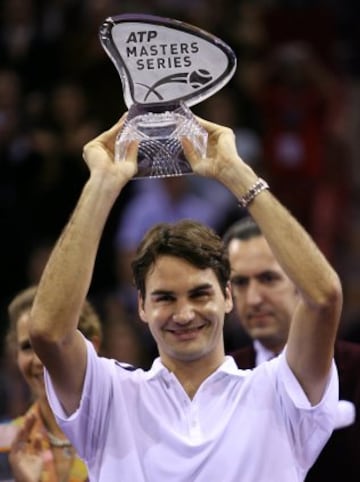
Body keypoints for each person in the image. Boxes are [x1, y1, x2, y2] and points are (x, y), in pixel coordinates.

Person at [28, 114, 342, 481]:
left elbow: (323, 298)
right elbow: (48, 332)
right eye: (165, 298)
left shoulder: (280, 392)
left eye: (199, 293)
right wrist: (103, 183)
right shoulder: (109, 396)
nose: (184, 313)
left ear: (227, 297)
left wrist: (234, 172)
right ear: (141, 307)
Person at [223, 216, 360, 482]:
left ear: (302, 283)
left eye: (268, 278)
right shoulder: (220, 378)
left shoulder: (356, 367)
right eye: (240, 283)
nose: (253, 298)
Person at [0, 285, 102, 482]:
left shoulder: (126, 433)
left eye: (52, 344)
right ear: (16, 356)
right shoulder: (4, 445)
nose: (40, 360)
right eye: (27, 347)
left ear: (92, 348)